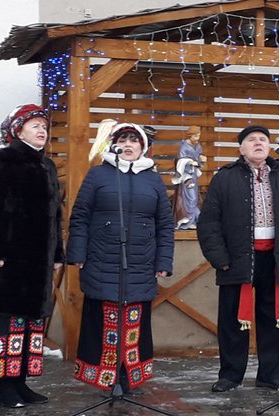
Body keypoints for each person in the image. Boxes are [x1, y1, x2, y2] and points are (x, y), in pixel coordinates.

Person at [198, 125, 279, 393]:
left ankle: (270, 375)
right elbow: (209, 223)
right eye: (251, 140)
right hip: (237, 258)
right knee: (233, 319)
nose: (258, 143)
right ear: (241, 148)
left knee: (274, 319)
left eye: (262, 139)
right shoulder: (225, 177)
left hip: (276, 257)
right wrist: (219, 259)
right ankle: (230, 376)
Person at [67, 123, 175, 393]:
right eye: (123, 140)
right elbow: (80, 217)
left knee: (134, 321)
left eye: (134, 141)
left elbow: (164, 223)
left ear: (143, 147)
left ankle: (128, 378)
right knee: (103, 318)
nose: (128, 145)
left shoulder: (153, 179)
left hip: (140, 261)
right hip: (102, 258)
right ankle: (104, 377)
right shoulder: (98, 175)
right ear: (114, 145)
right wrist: (78, 253)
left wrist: (164, 261)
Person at [0, 104, 64, 408]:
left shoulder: (48, 166)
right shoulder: (4, 158)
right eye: (35, 125)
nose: (42, 131)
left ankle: (21, 382)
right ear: (18, 129)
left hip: (37, 262)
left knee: (28, 326)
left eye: (44, 126)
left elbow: (56, 215)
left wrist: (57, 252)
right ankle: (5, 389)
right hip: (9, 261)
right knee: (7, 326)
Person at [172, 126, 205, 229]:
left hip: (194, 175)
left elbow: (199, 157)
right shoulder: (184, 147)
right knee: (190, 197)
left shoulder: (198, 146)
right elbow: (180, 161)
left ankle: (193, 219)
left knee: (194, 198)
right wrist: (189, 162)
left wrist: (201, 159)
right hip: (186, 176)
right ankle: (187, 220)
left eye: (198, 136)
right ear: (190, 136)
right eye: (195, 136)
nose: (197, 138)